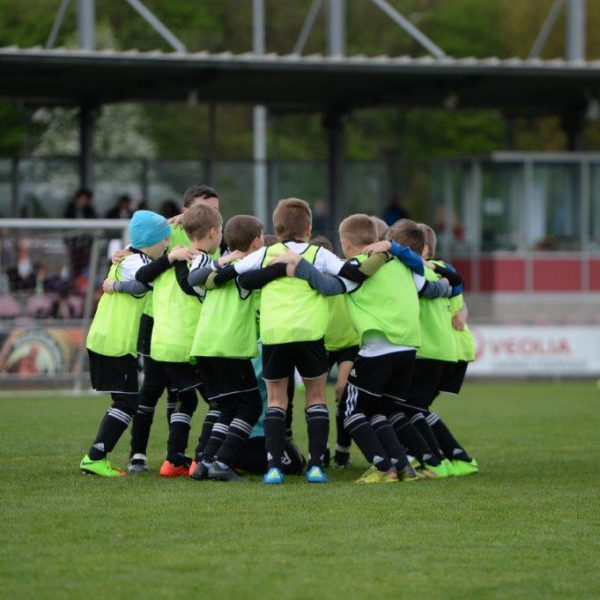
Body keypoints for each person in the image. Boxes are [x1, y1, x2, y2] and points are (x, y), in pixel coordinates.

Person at [126, 185, 221, 475]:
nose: (213, 214)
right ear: (185, 211)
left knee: (183, 396)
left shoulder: (214, 237)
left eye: (216, 209)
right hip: (167, 328)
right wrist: (127, 252)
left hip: (170, 334)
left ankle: (175, 457)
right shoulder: (171, 235)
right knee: (155, 392)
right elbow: (143, 252)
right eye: (207, 208)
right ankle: (144, 455)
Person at [79, 210, 171, 477]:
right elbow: (143, 282)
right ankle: (95, 457)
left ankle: (96, 456)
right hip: (113, 341)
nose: (167, 244)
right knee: (127, 402)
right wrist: (169, 259)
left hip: (112, 339)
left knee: (126, 401)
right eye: (164, 239)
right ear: (151, 239)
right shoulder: (134, 261)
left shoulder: (130, 255)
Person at [186, 214, 264, 482]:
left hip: (204, 348)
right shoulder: (245, 269)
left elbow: (199, 280)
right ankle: (223, 462)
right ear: (256, 241)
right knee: (250, 407)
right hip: (228, 348)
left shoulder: (215, 265)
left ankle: (206, 462)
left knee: (227, 407)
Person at [418, 223, 478, 476]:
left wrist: (462, 312)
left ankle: (446, 458)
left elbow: (453, 285)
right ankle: (447, 458)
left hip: (447, 348)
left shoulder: (435, 269)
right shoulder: (440, 269)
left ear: (425, 248)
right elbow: (459, 300)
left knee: (413, 408)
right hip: (450, 348)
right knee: (416, 407)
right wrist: (463, 311)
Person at [63, 188, 97, 279]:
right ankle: (72, 283)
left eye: (86, 199)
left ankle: (83, 283)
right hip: (73, 243)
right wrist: (67, 242)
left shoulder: (89, 210)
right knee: (73, 265)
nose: (84, 201)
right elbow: (65, 227)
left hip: (85, 244)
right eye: (82, 198)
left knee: (85, 265)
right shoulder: (70, 210)